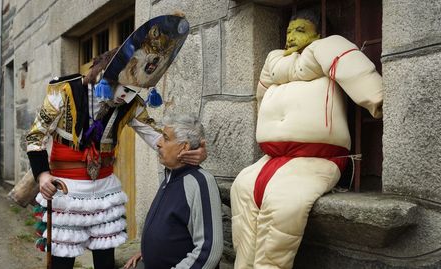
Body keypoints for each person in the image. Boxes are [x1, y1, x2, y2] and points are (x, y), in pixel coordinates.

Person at [26, 47, 206, 268]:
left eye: (134, 89)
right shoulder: (64, 91)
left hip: (104, 191)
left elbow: (156, 138)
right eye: (125, 87)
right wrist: (43, 176)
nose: (128, 95)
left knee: (105, 262)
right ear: (107, 77)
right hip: (67, 189)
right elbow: (35, 135)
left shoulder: (130, 103)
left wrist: (187, 151)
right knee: (62, 262)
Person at [230, 10, 383, 269]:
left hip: (316, 160)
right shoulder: (274, 63)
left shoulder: (326, 49)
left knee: (284, 204)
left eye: (300, 30)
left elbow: (352, 68)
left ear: (318, 34)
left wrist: (377, 99)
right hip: (271, 160)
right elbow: (261, 98)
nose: (291, 36)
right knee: (240, 191)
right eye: (289, 31)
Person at [124, 113, 223, 269]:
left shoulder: (201, 182)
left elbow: (209, 251)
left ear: (184, 147)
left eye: (166, 138)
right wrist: (147, 252)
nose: (158, 143)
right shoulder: (170, 177)